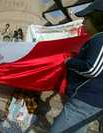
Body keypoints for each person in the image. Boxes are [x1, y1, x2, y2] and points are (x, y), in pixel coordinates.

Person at [50, 0, 103, 132]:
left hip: (84, 101)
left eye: (86, 18)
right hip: (86, 99)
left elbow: (92, 69)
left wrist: (69, 61)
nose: (83, 22)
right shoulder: (96, 39)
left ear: (98, 19)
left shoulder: (99, 39)